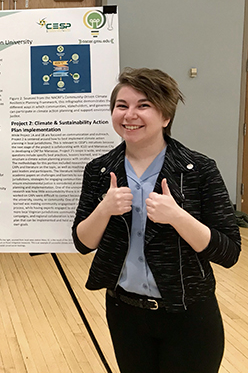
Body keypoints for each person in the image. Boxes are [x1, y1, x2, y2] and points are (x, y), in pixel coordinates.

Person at [72, 67, 241, 373]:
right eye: (122, 106)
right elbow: (83, 242)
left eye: (143, 105)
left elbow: (228, 252)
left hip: (189, 313)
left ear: (166, 117)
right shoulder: (99, 170)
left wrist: (177, 216)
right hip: (125, 312)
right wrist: (105, 208)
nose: (129, 114)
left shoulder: (199, 169)